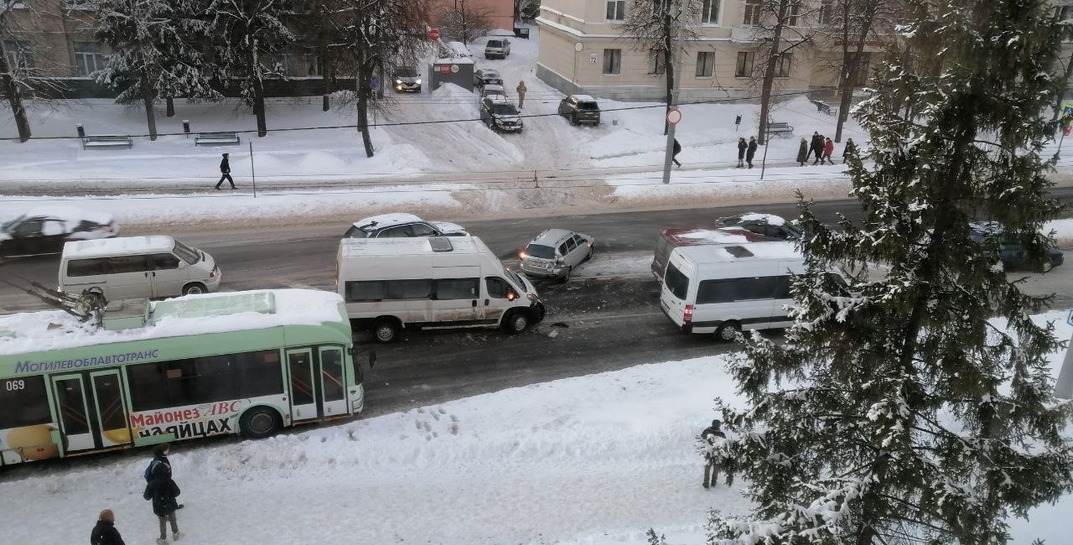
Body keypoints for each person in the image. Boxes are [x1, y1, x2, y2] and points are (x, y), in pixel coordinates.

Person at [145, 444, 182, 544]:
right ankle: (175, 533)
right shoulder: (169, 481)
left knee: (162, 522)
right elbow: (177, 492)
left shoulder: (152, 483)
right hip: (170, 503)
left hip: (158, 505)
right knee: (172, 518)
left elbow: (146, 496)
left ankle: (163, 538)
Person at [700, 420, 728, 489]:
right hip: (711, 452)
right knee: (713, 467)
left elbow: (724, 443)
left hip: (713, 452)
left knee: (711, 467)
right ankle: (711, 481)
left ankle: (709, 482)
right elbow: (703, 436)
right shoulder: (718, 433)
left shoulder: (709, 431)